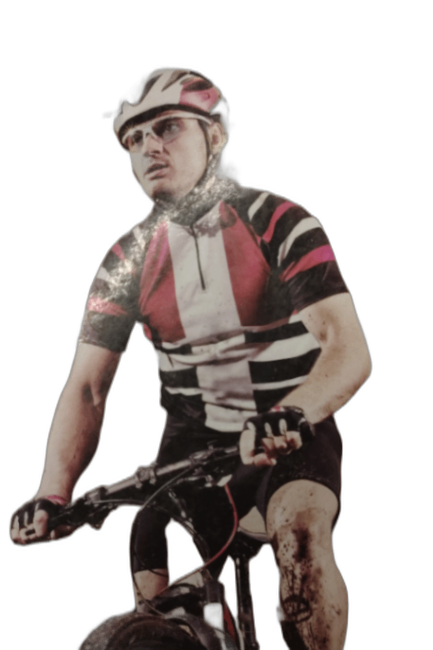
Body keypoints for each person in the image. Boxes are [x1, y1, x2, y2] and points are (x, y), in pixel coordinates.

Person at [10, 68, 371, 649]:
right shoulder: (125, 262)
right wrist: (54, 491)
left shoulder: (278, 220)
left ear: (215, 135)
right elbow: (87, 388)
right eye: (135, 138)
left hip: (288, 432)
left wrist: (295, 411)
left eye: (169, 128)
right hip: (191, 447)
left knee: (302, 540)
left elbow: (347, 349)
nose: (149, 146)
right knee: (151, 576)